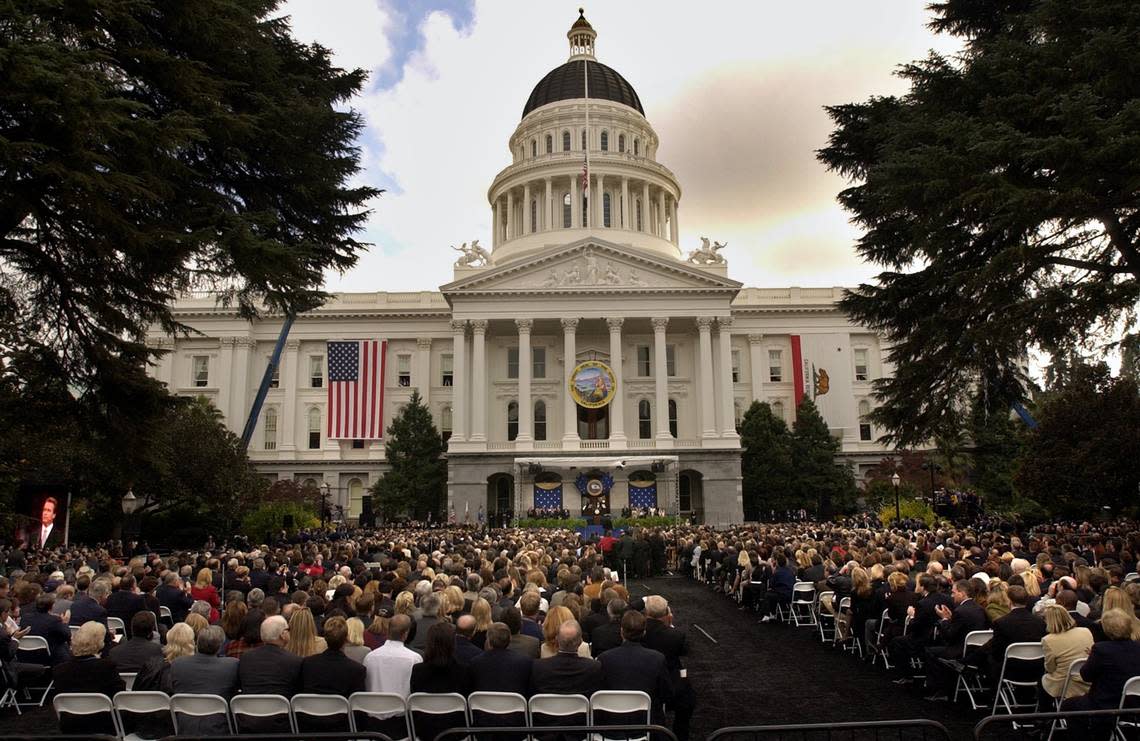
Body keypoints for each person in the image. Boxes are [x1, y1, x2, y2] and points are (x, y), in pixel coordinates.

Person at [1061, 609, 1140, 734]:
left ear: (1106, 629)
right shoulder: (1137, 647)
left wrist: (1091, 659)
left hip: (1107, 704)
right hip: (1135, 705)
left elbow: (1086, 676)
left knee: (1069, 705)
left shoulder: (1101, 649)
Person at [597, 610, 672, 726]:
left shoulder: (604, 659)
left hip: (612, 725)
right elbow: (667, 695)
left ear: (621, 631)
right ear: (644, 633)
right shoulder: (657, 659)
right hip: (648, 726)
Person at [643, 595, 695, 741]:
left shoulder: (639, 631)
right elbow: (686, 651)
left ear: (646, 613)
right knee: (688, 699)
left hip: (645, 680)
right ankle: (681, 735)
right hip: (670, 683)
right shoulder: (676, 635)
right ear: (667, 614)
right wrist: (670, 626)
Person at [361, 614, 422, 738]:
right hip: (402, 724)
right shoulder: (414, 659)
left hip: (374, 723)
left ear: (388, 631)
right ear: (406, 634)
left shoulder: (370, 657)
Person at [529, 619, 604, 696]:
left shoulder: (539, 667)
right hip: (581, 707)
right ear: (580, 642)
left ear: (557, 639)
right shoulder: (594, 668)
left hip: (548, 707)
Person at [1039, 604, 1093, 709]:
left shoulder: (1048, 640)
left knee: (1042, 680)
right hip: (1087, 679)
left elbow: (1050, 668)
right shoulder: (1085, 631)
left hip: (1065, 683)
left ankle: (1046, 715)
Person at [51, 621, 124, 697]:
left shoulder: (59, 670)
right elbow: (119, 695)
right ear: (100, 643)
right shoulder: (107, 668)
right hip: (102, 708)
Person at [238, 614, 303, 698]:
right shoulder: (295, 661)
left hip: (249, 709)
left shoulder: (245, 658)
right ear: (283, 634)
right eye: (288, 629)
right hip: (282, 709)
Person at [300, 616, 366, 697]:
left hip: (310, 709)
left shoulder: (308, 664)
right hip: (342, 709)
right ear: (346, 639)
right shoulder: (357, 670)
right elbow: (357, 703)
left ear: (325, 638)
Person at [469, 622, 532, 695]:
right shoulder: (525, 662)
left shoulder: (475, 662)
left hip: (482, 705)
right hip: (514, 705)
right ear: (510, 640)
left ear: (488, 641)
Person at [19, 591, 71, 665]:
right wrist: (65, 623)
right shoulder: (54, 620)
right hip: (49, 657)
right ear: (52, 606)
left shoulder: (25, 618)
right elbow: (67, 635)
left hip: (26, 656)